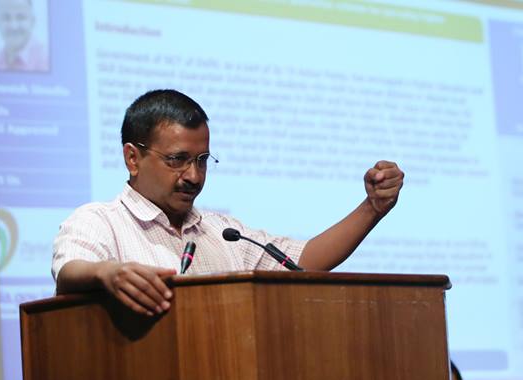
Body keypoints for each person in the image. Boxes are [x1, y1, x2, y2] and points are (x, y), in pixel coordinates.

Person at [52, 89, 404, 316]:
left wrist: (371, 208)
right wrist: (107, 272)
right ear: (132, 158)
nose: (193, 175)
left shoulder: (222, 232)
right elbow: (70, 270)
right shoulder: (100, 221)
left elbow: (304, 261)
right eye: (177, 159)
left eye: (202, 160)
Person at [0, 0, 49, 72]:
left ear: (33, 21)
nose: (13, 26)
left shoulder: (47, 59)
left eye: (21, 17)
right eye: (6, 18)